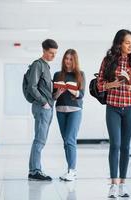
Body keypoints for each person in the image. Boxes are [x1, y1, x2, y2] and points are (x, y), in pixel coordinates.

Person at [97, 29, 131, 198]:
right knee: (115, 144)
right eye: (127, 42)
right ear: (119, 44)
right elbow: (100, 84)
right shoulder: (109, 60)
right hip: (113, 107)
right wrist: (112, 84)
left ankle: (123, 184)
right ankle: (113, 185)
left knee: (125, 146)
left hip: (130, 107)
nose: (130, 45)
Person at [27, 39, 58, 181]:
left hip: (47, 107)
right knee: (39, 140)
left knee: (41, 139)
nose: (53, 56)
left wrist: (56, 95)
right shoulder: (38, 65)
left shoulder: (46, 67)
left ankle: (34, 169)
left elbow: (44, 89)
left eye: (55, 53)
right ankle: (35, 171)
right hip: (42, 107)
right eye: (51, 53)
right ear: (44, 51)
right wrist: (44, 102)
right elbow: (31, 87)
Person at [53, 49, 85, 181]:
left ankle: (72, 170)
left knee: (70, 140)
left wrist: (72, 90)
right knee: (66, 142)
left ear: (75, 60)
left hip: (75, 110)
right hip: (60, 109)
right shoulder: (57, 74)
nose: (68, 61)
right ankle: (69, 170)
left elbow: (81, 95)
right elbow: (53, 97)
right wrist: (59, 93)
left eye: (71, 59)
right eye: (66, 58)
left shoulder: (80, 74)